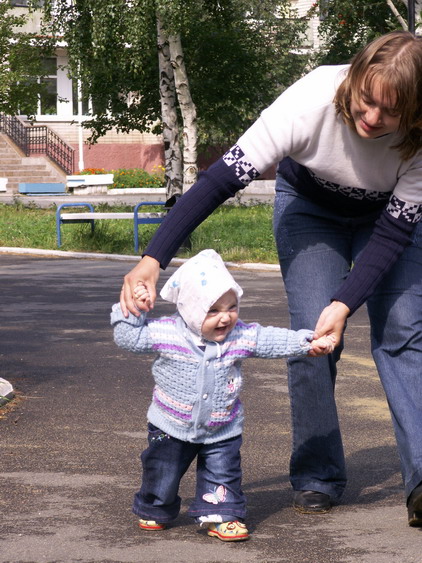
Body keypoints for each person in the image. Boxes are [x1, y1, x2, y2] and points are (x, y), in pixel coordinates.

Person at [119, 31, 422, 526]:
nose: (371, 119)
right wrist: (154, 258)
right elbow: (217, 182)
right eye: (366, 101)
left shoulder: (419, 138)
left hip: (385, 217)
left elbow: (391, 237)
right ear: (354, 79)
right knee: (310, 333)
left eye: (390, 114)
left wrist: (345, 301)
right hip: (309, 209)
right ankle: (318, 473)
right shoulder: (309, 100)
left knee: (406, 331)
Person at [111, 249, 334, 541]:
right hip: (170, 424)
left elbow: (268, 339)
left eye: (231, 307)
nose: (225, 317)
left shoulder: (238, 336)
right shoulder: (166, 334)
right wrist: (135, 310)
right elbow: (129, 338)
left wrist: (305, 342)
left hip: (222, 427)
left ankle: (222, 514)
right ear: (190, 310)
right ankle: (156, 506)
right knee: (161, 472)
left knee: (223, 473)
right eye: (213, 311)